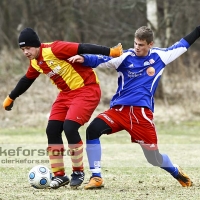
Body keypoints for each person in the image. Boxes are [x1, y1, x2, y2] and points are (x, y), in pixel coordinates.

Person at [67, 25, 200, 189]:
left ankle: (176, 171)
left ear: (150, 44)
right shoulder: (125, 56)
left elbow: (183, 45)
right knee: (92, 130)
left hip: (141, 115)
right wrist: (85, 59)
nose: (137, 47)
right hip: (118, 111)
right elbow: (102, 60)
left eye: (141, 45)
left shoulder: (161, 56)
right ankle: (96, 177)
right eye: (136, 43)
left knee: (153, 158)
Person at [2, 27, 123, 189]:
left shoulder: (55, 48)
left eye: (28, 48)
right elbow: (26, 80)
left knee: (70, 127)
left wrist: (111, 52)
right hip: (65, 95)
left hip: (86, 89)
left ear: (37, 45)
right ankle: (59, 175)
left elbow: (83, 47)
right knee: (52, 130)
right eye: (23, 49)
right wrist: (11, 97)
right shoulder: (35, 62)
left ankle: (78, 172)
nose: (26, 52)